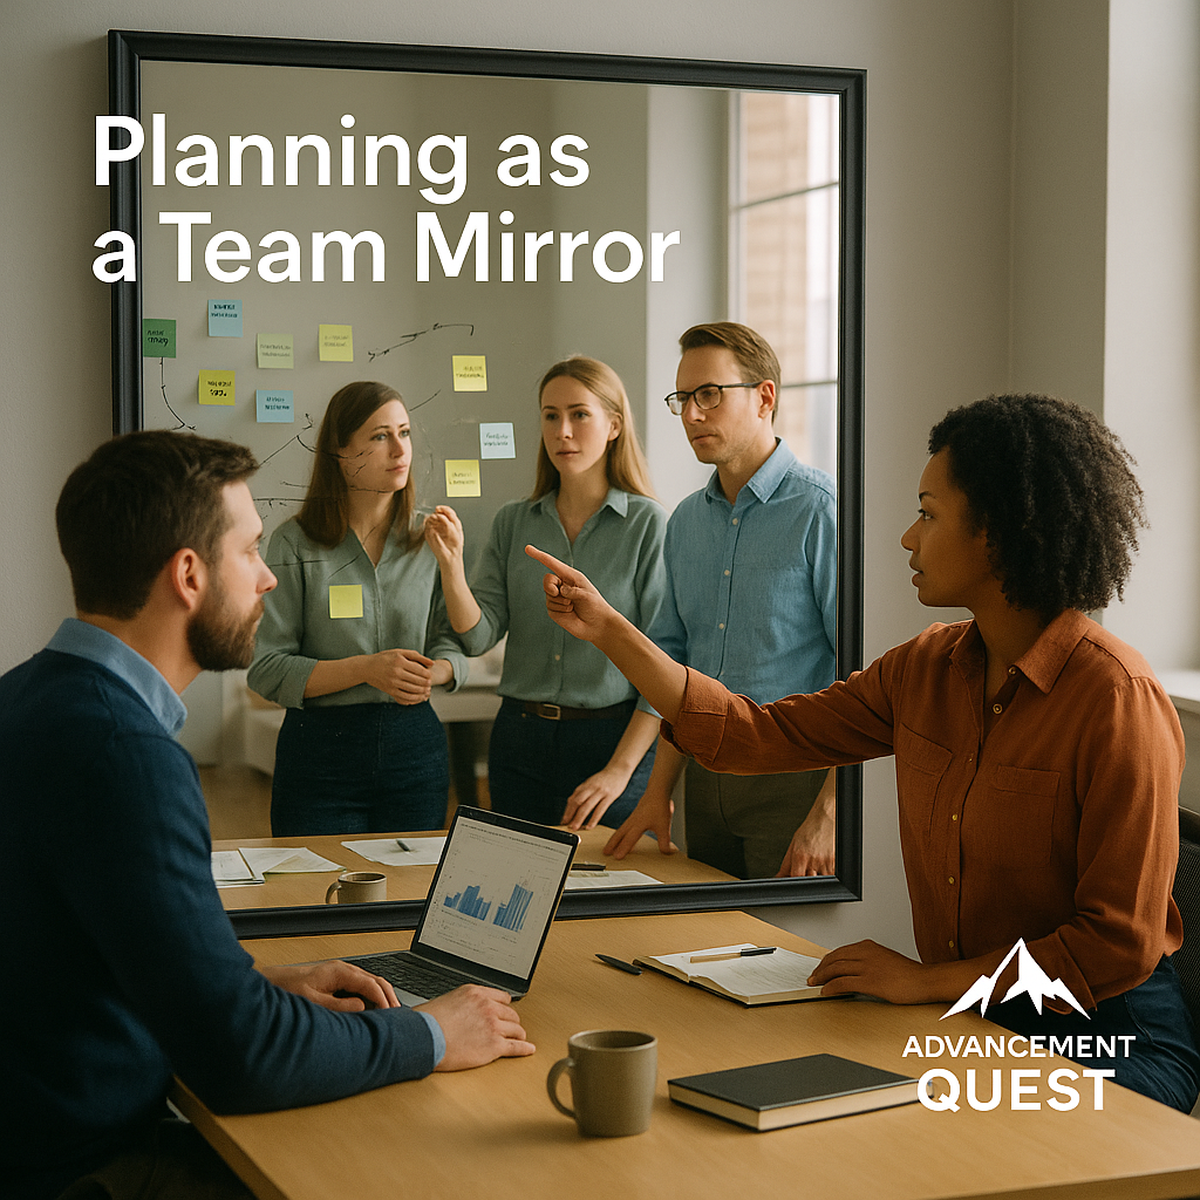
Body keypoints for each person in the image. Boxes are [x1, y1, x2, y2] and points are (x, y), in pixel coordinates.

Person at [527, 393, 1200, 1111]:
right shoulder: (924, 668)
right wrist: (611, 630)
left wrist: (926, 982)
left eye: (929, 514)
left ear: (999, 533)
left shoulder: (1117, 699)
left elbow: (1117, 945)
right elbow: (753, 735)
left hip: (1111, 1039)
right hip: (975, 1023)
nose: (908, 538)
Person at [0, 430, 534, 1200]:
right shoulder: (126, 755)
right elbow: (242, 1057)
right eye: (250, 551)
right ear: (189, 575)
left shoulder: (28, 698)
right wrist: (431, 1033)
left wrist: (254, 982)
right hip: (82, 1166)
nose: (268, 578)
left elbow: (83, 960)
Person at [604, 322, 838, 879]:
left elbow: (863, 676)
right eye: (683, 397)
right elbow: (678, 668)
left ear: (764, 397)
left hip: (795, 778)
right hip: (702, 777)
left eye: (709, 394)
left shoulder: (822, 511)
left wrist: (830, 813)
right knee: (707, 931)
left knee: (782, 935)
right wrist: (658, 791)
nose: (691, 414)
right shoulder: (686, 521)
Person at [249, 380, 476, 836]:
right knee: (315, 881)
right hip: (319, 757)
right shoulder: (293, 543)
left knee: (412, 881)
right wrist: (367, 669)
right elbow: (267, 669)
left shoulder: (431, 537)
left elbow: (456, 642)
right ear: (340, 452)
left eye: (404, 433)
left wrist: (437, 672)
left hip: (415, 753)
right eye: (380, 436)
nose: (400, 449)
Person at [452, 356, 666, 830]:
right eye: (551, 416)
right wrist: (450, 565)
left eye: (579, 414)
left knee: (604, 878)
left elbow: (664, 664)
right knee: (514, 875)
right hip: (518, 739)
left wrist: (619, 771)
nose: (562, 431)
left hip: (610, 743)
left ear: (614, 425)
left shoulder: (647, 525)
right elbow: (477, 637)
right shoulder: (513, 521)